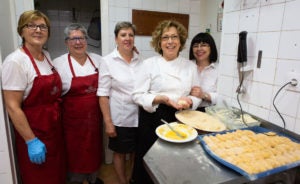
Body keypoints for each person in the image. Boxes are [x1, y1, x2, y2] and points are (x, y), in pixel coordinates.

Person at [131, 20, 201, 184]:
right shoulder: (148, 64)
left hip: (181, 118)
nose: (170, 41)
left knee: (176, 162)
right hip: (153, 117)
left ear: (181, 41)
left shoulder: (190, 66)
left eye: (174, 37)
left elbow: (197, 94)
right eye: (165, 37)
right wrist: (160, 98)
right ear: (159, 42)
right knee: (150, 161)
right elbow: (137, 95)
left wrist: (190, 100)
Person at [1, 10, 66, 184]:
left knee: (57, 175)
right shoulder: (15, 61)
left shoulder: (46, 56)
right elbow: (12, 106)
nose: (38, 30)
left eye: (43, 26)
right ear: (21, 31)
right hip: (34, 132)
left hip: (53, 130)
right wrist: (31, 141)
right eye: (31, 25)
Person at [53, 23, 103, 184]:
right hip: (72, 123)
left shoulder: (98, 60)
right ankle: (75, 180)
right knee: (75, 153)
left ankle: (93, 178)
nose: (78, 42)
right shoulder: (58, 64)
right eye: (73, 39)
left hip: (94, 120)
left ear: (86, 41)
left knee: (94, 150)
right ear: (66, 42)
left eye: (81, 38)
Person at [97, 21, 142, 184]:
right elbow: (102, 94)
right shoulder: (108, 61)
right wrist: (108, 122)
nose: (127, 38)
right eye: (123, 35)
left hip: (140, 116)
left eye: (131, 35)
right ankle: (123, 181)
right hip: (120, 118)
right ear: (116, 39)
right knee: (120, 152)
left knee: (137, 151)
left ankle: (132, 178)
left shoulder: (140, 60)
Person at [189, 32, 219, 112]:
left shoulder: (219, 70)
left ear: (211, 48)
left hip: (209, 112)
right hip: (186, 109)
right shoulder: (186, 66)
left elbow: (224, 97)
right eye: (195, 46)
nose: (199, 49)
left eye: (203, 45)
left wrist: (204, 95)